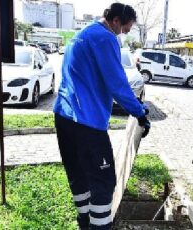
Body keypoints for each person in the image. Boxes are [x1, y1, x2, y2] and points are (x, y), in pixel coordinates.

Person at [53, 3, 150, 230]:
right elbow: (117, 84)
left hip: (64, 116)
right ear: (115, 20)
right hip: (86, 122)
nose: (124, 34)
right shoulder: (105, 38)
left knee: (79, 177)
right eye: (125, 29)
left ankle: (84, 224)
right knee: (104, 182)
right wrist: (140, 112)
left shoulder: (81, 35)